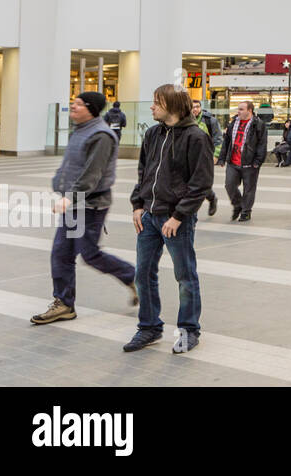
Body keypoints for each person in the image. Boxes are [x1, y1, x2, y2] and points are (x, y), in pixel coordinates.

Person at [30, 92, 138, 326]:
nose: (73, 107)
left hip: (90, 205)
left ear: (91, 108)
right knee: (62, 253)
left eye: (78, 104)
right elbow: (71, 164)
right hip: (75, 203)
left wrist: (70, 198)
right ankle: (64, 304)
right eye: (73, 103)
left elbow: (92, 174)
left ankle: (133, 276)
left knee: (89, 254)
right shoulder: (80, 130)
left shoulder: (101, 135)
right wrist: (59, 181)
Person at [124, 84, 213, 354]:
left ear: (172, 106)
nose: (152, 107)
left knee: (185, 275)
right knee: (143, 274)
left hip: (176, 220)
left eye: (157, 103)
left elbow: (201, 183)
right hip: (148, 216)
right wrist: (137, 205)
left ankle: (189, 330)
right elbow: (144, 172)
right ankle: (149, 327)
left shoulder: (195, 137)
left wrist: (178, 216)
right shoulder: (152, 134)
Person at [219, 100, 266, 222]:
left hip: (250, 162)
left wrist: (258, 161)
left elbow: (262, 144)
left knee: (249, 188)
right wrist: (222, 158)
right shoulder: (234, 122)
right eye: (238, 109)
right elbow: (227, 141)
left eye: (241, 109)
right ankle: (238, 204)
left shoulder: (258, 124)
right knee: (229, 185)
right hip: (233, 161)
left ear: (249, 110)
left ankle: (246, 211)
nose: (238, 111)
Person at [187, 99, 221, 217]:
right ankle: (210, 198)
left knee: (201, 181)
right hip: (189, 157)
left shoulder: (210, 120)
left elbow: (218, 139)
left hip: (205, 157)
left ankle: (210, 199)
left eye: (197, 107)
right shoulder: (185, 120)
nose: (195, 109)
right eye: (192, 107)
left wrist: (215, 156)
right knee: (191, 182)